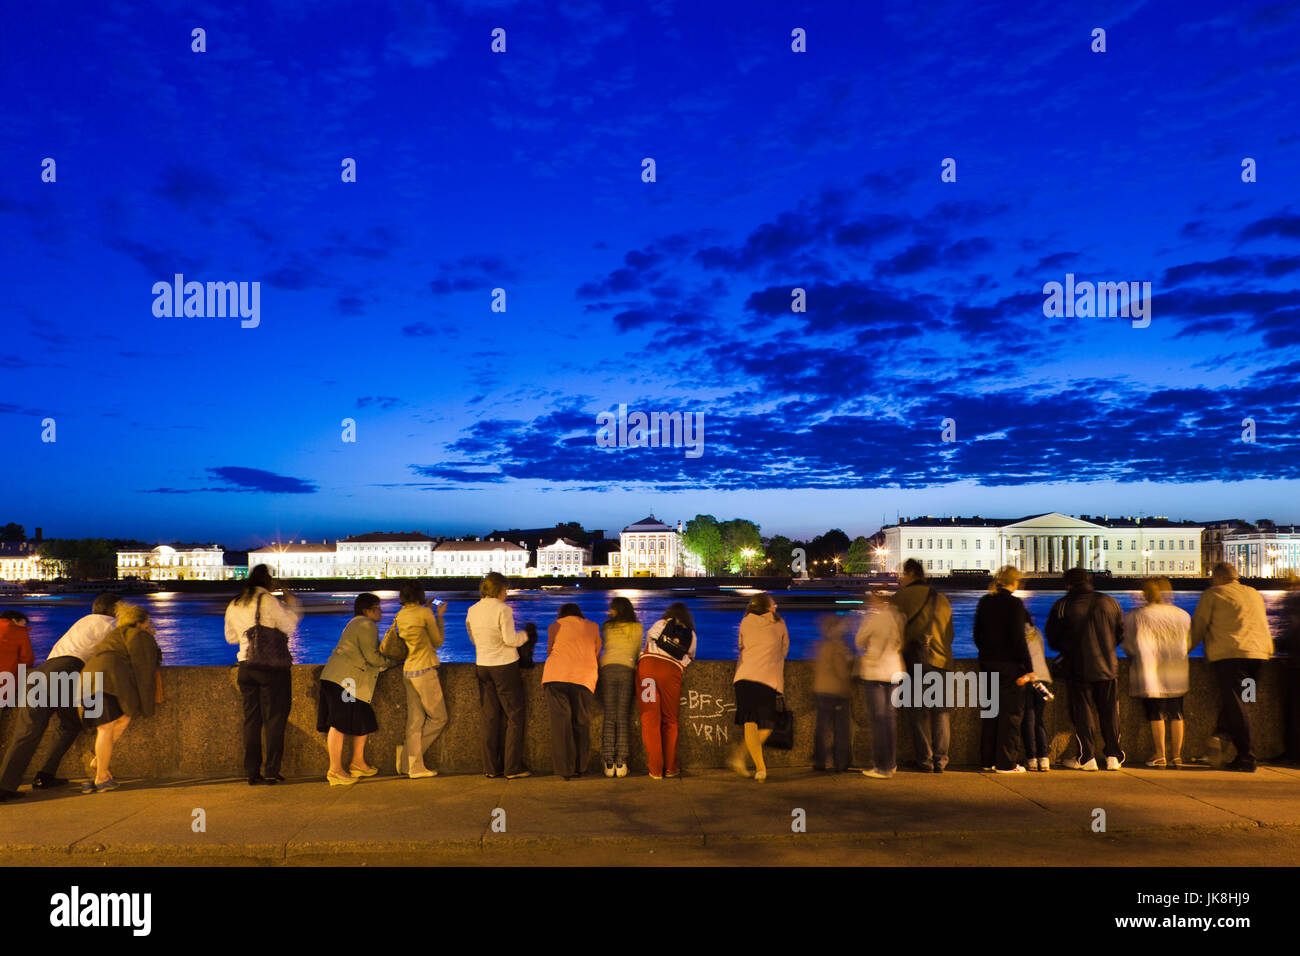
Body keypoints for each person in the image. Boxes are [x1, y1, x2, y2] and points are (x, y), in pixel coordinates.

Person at [0, 594, 119, 801]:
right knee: (72, 724)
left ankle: (5, 786)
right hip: (67, 670)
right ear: (115, 610)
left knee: (27, 732)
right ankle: (44, 775)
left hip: (42, 671)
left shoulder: (82, 621)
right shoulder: (112, 625)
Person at [1191, 563, 1273, 772]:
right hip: (1259, 658)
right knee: (1244, 701)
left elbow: (1198, 626)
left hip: (1231, 658)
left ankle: (1247, 757)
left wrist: (1184, 649)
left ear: (1217, 577)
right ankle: (1221, 736)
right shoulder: (1253, 593)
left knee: (1236, 705)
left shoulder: (1214, 594)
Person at [224, 564, 301, 785]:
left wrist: (245, 634)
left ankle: (251, 771)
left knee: (252, 721)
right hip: (270, 667)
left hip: (245, 666)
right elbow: (288, 627)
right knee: (275, 719)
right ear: (267, 581)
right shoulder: (267, 601)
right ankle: (271, 770)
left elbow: (230, 637)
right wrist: (293, 605)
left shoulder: (235, 602)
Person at [1045, 567, 1125, 771]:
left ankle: (1087, 757)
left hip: (1078, 667)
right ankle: (1113, 756)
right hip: (1108, 667)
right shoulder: (1110, 602)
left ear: (1068, 584)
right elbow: (1121, 633)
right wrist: (1106, 650)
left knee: (1083, 712)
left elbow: (1052, 638)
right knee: (1109, 712)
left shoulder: (1062, 605)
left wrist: (1069, 649)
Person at [79, 602, 162, 793]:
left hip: (90, 680)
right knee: (107, 727)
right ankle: (101, 777)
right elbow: (145, 665)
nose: (150, 624)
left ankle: (98, 763)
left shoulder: (116, 635)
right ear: (140, 622)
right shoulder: (139, 635)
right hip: (108, 682)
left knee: (122, 719)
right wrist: (150, 638)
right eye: (148, 621)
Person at [317, 593, 398, 785]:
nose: (381, 611)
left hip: (347, 680)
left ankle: (358, 763)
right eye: (377, 608)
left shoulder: (355, 624)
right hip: (345, 681)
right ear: (367, 610)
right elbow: (372, 657)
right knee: (340, 722)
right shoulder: (365, 624)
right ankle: (335, 770)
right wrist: (393, 662)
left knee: (363, 719)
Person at [890, 559, 955, 773]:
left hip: (915, 660)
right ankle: (941, 760)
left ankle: (925, 760)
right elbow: (950, 633)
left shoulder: (900, 597)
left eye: (902, 574)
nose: (900, 578)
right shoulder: (942, 598)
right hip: (942, 660)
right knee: (941, 712)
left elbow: (892, 632)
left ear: (910, 573)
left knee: (917, 712)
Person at [465, 572, 530, 779]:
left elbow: (472, 637)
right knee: (514, 716)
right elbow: (510, 639)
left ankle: (491, 768)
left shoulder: (472, 610)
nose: (506, 593)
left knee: (490, 718)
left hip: (482, 664)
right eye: (505, 590)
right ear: (499, 590)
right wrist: (526, 636)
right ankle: (512, 767)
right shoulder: (503, 609)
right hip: (504, 665)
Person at [1122, 578, 1192, 768]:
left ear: (1144, 594)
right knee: (1177, 713)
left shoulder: (1136, 615)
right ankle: (1177, 756)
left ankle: (1160, 755)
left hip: (1150, 670)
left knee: (1156, 713)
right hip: (1177, 668)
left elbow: (1128, 644)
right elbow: (1189, 642)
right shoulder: (1183, 615)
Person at [974, 567, 1036, 774]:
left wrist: (986, 654)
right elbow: (1018, 640)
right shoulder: (1014, 604)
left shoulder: (985, 601)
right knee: (1010, 717)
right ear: (1014, 582)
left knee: (990, 714)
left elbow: (977, 634)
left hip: (988, 663)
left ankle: (986, 760)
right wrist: (1029, 668)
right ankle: (1006, 763)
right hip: (1010, 667)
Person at [385, 583, 448, 779]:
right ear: (420, 594)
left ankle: (410, 765)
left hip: (408, 670)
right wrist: (439, 616)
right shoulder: (425, 614)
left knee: (415, 722)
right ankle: (410, 758)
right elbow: (437, 642)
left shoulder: (400, 615)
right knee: (439, 718)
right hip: (425, 671)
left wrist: (426, 611)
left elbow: (414, 628)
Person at [728, 593, 789, 782]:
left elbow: (740, 645)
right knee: (768, 724)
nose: (775, 607)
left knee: (750, 722)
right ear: (769, 607)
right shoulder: (779, 624)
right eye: (773, 604)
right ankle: (759, 767)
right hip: (767, 678)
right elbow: (785, 649)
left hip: (744, 677)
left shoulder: (746, 621)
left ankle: (741, 757)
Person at [637, 602, 697, 779]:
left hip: (647, 668)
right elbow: (691, 656)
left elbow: (648, 642)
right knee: (670, 720)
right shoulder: (691, 635)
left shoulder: (659, 624)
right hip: (670, 672)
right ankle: (670, 768)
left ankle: (655, 770)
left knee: (650, 720)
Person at [542, 604, 601, 779]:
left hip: (555, 677)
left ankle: (565, 770)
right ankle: (580, 767)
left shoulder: (555, 625)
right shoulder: (593, 626)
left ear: (561, 614)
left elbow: (549, 650)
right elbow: (596, 652)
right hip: (583, 678)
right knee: (581, 723)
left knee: (561, 726)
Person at [856, 592, 905, 779]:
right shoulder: (897, 617)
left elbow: (859, 640)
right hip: (894, 672)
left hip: (876, 672)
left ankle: (881, 766)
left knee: (878, 720)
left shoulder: (873, 619)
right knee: (890, 718)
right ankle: (891, 763)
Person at [599, 596, 643, 778]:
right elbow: (637, 650)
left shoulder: (607, 627)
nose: (609, 611)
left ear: (617, 610)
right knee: (622, 716)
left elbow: (604, 645)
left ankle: (608, 763)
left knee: (609, 716)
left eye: (612, 608)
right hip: (626, 669)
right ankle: (621, 763)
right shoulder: (637, 628)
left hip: (608, 668)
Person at [811, 616, 853, 773]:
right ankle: (840, 762)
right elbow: (842, 672)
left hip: (821, 690)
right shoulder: (838, 647)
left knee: (821, 728)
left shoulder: (820, 645)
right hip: (837, 692)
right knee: (840, 729)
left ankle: (819, 761)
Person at [1023, 615, 1054, 771]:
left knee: (1028, 719)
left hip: (1029, 679)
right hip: (1043, 678)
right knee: (1039, 719)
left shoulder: (1017, 633)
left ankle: (1032, 758)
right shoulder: (1037, 632)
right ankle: (1044, 758)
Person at [1279, 575, 1300, 764]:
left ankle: (1293, 753)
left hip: (1295, 666)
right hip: (1253, 662)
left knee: (1246, 699)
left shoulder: (1294, 604)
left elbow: (1291, 635)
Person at [0, 610, 34, 679]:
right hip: (7, 678)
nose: (24, 627)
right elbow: (27, 659)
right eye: (24, 624)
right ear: (14, 621)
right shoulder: (20, 632)